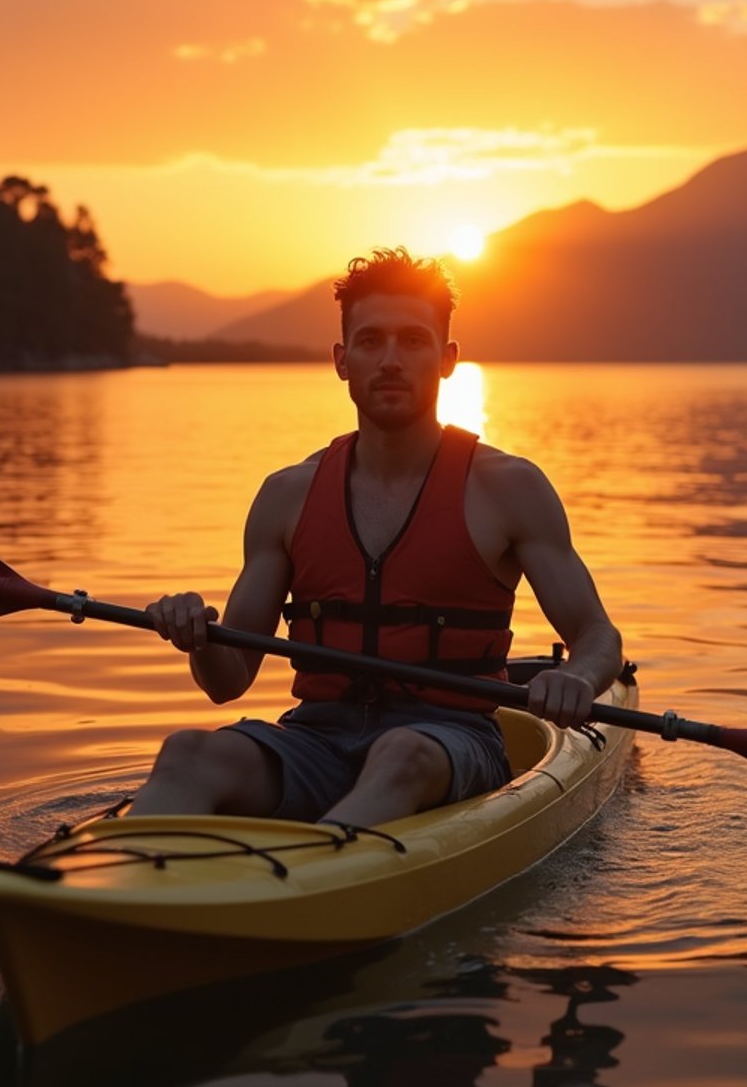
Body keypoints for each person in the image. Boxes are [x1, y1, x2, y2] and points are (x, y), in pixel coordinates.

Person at [129, 247, 622, 826]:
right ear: (342, 360)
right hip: (316, 741)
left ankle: (310, 892)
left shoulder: (508, 488)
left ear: (447, 359)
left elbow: (598, 636)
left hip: (450, 743)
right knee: (186, 752)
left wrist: (576, 676)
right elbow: (228, 681)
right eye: (371, 341)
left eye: (413, 341)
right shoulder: (287, 495)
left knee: (400, 752)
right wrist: (200, 637)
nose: (391, 360)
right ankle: (101, 890)